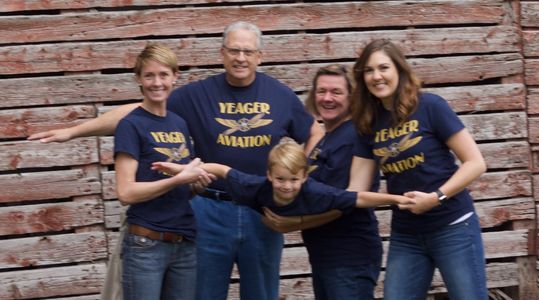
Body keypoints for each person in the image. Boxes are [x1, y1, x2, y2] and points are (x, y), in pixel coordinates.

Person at [29, 21, 323, 300]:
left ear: (260, 56)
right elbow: (138, 111)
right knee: (203, 293)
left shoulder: (280, 95)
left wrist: (298, 184)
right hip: (209, 208)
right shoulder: (198, 94)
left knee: (261, 294)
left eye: (248, 51)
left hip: (261, 210)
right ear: (222, 53)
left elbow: (314, 132)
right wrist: (74, 131)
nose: (241, 58)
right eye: (234, 50)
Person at [347, 39, 488, 300]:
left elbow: (476, 163)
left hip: (453, 226)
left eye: (383, 68)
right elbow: (356, 191)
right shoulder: (367, 124)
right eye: (369, 70)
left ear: (399, 70)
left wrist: (436, 198)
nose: (376, 76)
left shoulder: (429, 106)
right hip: (407, 234)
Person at [262, 64, 384, 299]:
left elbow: (340, 202)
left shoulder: (353, 137)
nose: (327, 98)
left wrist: (294, 223)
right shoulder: (326, 139)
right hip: (326, 256)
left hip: (349, 256)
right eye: (321, 91)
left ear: (352, 97)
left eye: (336, 92)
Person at [115, 42, 206, 300]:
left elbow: (181, 188)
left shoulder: (179, 124)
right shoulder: (131, 125)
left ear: (175, 76)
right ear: (139, 80)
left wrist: (194, 184)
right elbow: (126, 192)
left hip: (184, 242)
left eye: (163, 75)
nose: (157, 83)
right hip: (146, 245)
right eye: (149, 75)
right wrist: (178, 179)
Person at [152, 139, 415, 217]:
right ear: (268, 176)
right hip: (254, 212)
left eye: (293, 179)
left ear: (303, 177)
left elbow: (358, 197)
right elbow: (221, 170)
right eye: (280, 179)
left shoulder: (317, 192)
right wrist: (183, 170)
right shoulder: (254, 186)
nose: (286, 186)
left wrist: (396, 199)